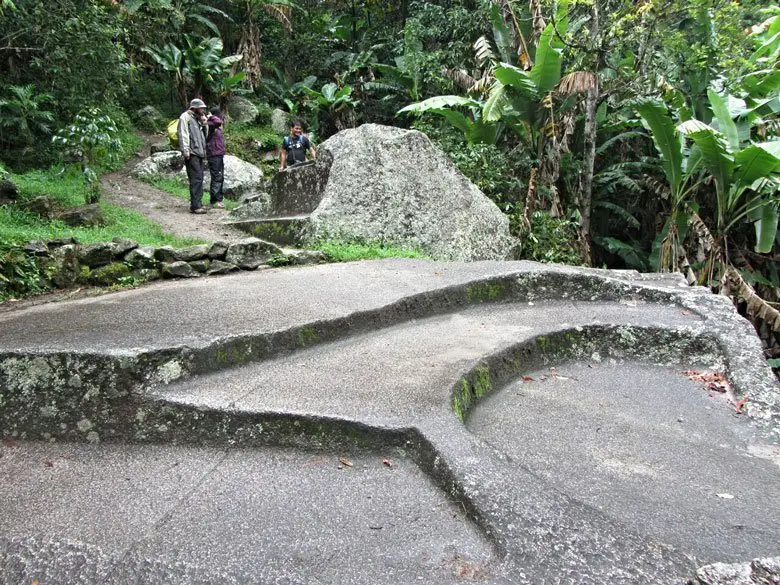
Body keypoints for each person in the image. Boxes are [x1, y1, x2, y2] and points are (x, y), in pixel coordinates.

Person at [178, 98, 209, 214]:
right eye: (201, 108)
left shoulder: (198, 119)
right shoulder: (185, 117)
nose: (202, 110)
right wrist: (185, 151)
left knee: (199, 178)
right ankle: (195, 206)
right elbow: (183, 133)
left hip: (199, 152)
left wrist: (204, 123)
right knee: (196, 179)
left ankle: (198, 203)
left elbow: (204, 135)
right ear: (194, 108)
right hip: (191, 153)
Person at [206, 106, 225, 208]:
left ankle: (218, 198)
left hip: (218, 153)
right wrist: (211, 117)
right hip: (213, 154)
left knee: (220, 176)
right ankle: (215, 200)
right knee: (217, 176)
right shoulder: (211, 124)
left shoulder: (214, 125)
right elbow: (218, 122)